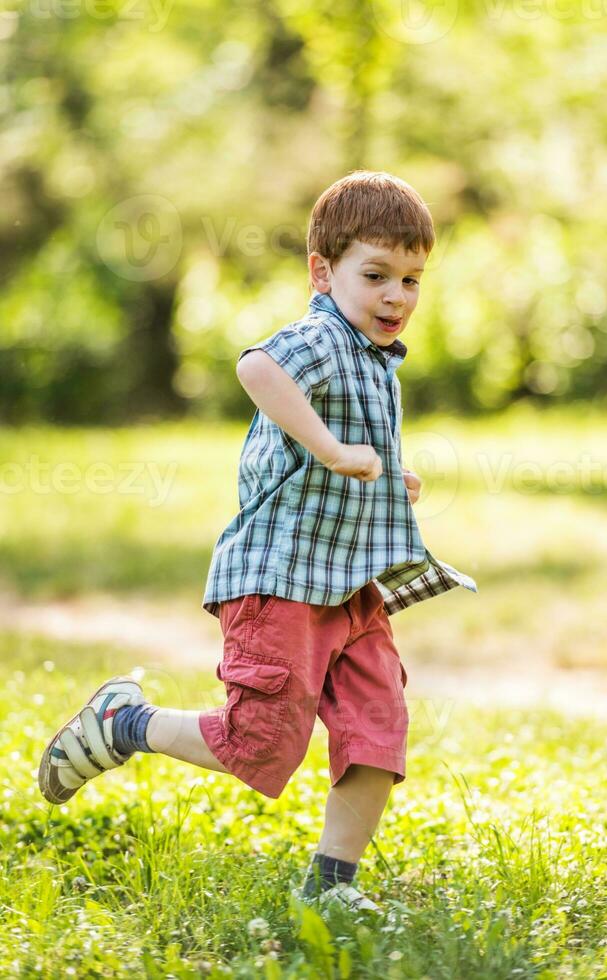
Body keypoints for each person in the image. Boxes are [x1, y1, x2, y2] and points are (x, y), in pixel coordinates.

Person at [38, 170, 477, 916]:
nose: (396, 296)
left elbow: (346, 448)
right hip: (280, 578)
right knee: (265, 741)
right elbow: (257, 368)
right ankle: (126, 722)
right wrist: (336, 451)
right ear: (322, 270)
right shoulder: (319, 337)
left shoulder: (379, 364)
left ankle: (330, 887)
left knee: (378, 731)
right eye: (375, 275)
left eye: (410, 278)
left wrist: (384, 474)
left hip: (352, 585)